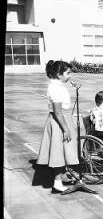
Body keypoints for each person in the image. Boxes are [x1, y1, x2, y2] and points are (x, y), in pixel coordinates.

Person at [36, 60, 79, 194]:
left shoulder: (57, 85)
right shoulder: (55, 89)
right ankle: (57, 183)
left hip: (62, 119)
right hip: (59, 121)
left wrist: (74, 88)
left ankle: (62, 178)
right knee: (58, 153)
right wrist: (65, 129)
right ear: (59, 74)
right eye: (68, 73)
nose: (70, 76)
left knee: (63, 151)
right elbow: (58, 112)